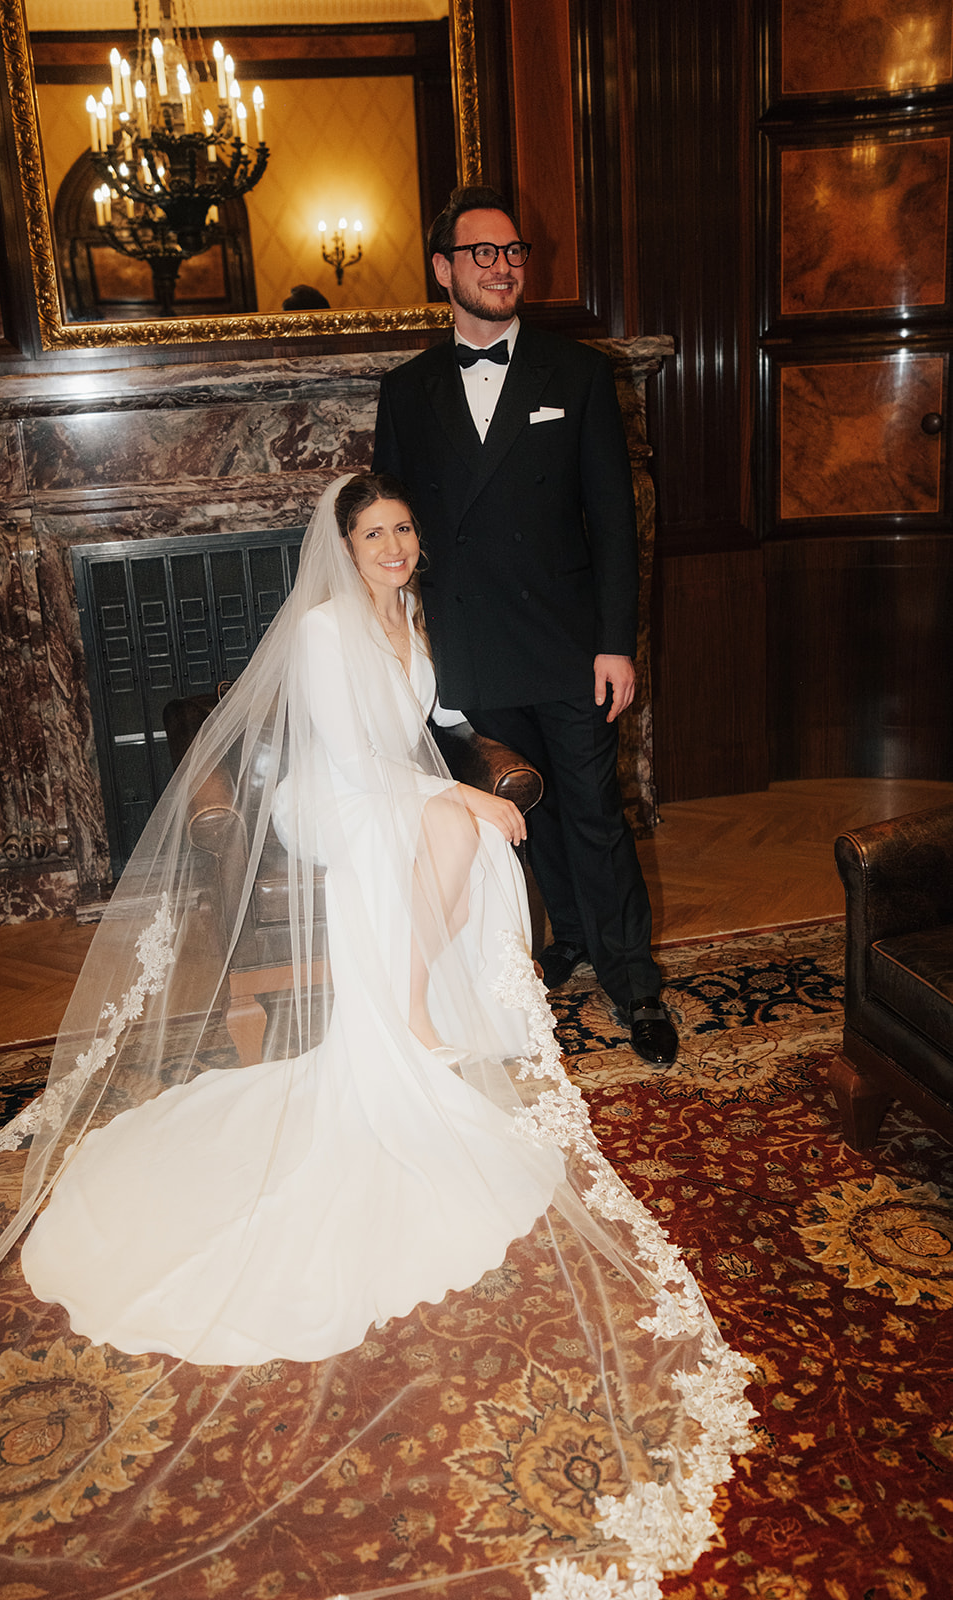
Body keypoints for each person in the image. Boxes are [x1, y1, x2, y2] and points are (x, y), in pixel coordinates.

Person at [0, 475, 753, 1596]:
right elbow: (347, 765)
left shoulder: (415, 617)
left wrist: (464, 783)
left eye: (402, 530)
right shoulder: (325, 626)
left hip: (390, 785)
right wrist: (458, 798)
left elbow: (435, 725)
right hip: (330, 796)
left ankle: (411, 1000)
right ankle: (406, 1005)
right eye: (374, 534)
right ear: (342, 548)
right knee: (467, 826)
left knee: (473, 832)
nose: (393, 546)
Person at [373, 185, 678, 1067]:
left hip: (567, 644)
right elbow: (392, 529)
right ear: (444, 270)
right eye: (483, 253)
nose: (503, 266)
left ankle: (633, 981)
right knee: (518, 816)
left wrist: (617, 642)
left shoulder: (576, 372)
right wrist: (406, 644)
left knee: (592, 812)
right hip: (469, 648)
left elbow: (614, 522)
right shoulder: (407, 389)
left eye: (513, 253)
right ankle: (567, 936)